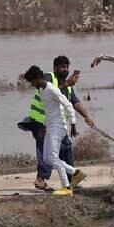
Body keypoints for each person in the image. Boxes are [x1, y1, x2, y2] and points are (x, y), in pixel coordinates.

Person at [19, 55, 96, 191]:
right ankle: (42, 179)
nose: (65, 69)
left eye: (67, 67)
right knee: (46, 152)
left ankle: (71, 180)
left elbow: (74, 102)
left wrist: (86, 116)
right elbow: (53, 92)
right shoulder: (48, 77)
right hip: (40, 122)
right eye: (62, 67)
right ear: (55, 68)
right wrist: (66, 85)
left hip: (56, 124)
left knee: (65, 149)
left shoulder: (67, 85)